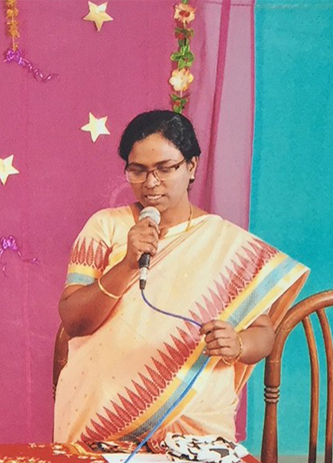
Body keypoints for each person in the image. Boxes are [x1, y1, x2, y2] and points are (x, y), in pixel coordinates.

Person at [55, 110, 309, 445]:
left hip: (195, 423)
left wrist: (238, 344)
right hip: (101, 417)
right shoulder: (105, 226)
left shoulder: (226, 243)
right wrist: (127, 264)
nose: (151, 183)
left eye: (164, 168)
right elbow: (74, 321)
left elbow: (264, 333)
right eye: (138, 170)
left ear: (191, 166)